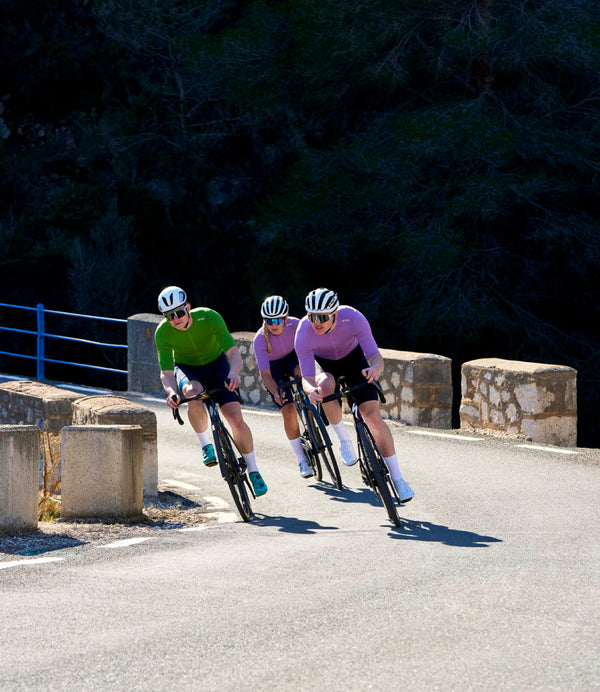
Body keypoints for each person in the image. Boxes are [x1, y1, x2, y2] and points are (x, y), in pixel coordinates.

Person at [294, 287, 414, 503]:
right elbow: (307, 378)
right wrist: (312, 390)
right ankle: (343, 440)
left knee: (372, 417)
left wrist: (374, 369)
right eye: (312, 316)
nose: (316, 322)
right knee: (326, 385)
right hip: (325, 364)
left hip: (353, 360)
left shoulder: (353, 318)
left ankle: (398, 479)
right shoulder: (303, 331)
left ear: (335, 315)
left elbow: (376, 357)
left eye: (322, 317)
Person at [154, 286, 267, 497]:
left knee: (234, 418)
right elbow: (167, 372)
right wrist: (171, 392)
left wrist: (233, 374)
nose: (175, 319)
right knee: (191, 391)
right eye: (169, 316)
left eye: (179, 312)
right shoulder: (162, 333)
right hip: (188, 369)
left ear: (188, 308)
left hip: (217, 365)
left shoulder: (209, 317)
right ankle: (206, 445)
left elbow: (233, 353)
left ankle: (253, 470)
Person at [253, 295, 313, 479]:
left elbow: (309, 350)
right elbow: (265, 374)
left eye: (278, 320)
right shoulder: (260, 339)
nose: (273, 324)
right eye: (269, 320)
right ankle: (301, 459)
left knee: (301, 373)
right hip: (274, 368)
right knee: (288, 409)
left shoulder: (297, 325)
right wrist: (275, 392)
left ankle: (313, 414)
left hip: (294, 356)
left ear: (286, 318)